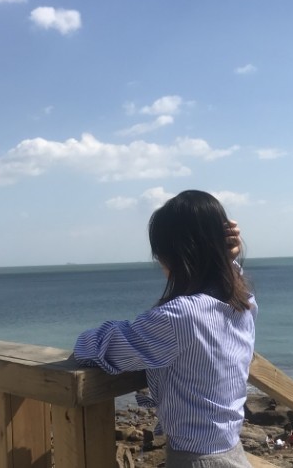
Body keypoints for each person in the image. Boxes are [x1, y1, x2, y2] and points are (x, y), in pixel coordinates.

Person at [74, 190, 257, 468]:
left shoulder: (179, 316)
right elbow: (228, 278)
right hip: (232, 452)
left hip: (196, 461)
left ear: (172, 255)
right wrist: (227, 256)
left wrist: (85, 339)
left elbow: (99, 348)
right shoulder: (245, 303)